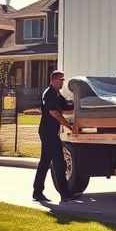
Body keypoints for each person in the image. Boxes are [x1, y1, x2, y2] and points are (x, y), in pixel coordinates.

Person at [32, 70, 76, 203]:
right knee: (59, 162)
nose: (62, 82)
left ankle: (37, 192)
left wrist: (79, 103)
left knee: (45, 162)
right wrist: (69, 126)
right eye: (60, 79)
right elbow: (54, 113)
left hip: (51, 132)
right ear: (53, 80)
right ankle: (65, 194)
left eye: (63, 80)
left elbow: (67, 107)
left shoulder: (57, 94)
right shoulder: (49, 93)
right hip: (47, 132)